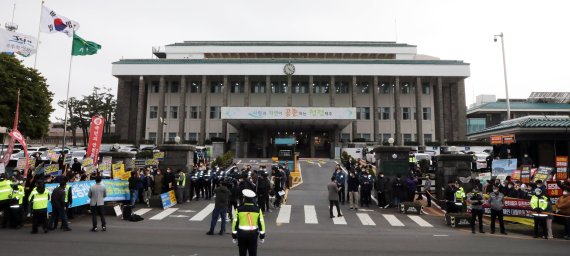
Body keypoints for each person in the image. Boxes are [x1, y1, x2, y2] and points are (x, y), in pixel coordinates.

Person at [232, 189, 265, 256]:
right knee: (253, 253)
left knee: (242, 253)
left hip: (241, 234)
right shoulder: (257, 209)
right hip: (253, 234)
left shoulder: (239, 209)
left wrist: (234, 236)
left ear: (244, 198)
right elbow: (261, 223)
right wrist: (262, 236)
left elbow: (235, 223)